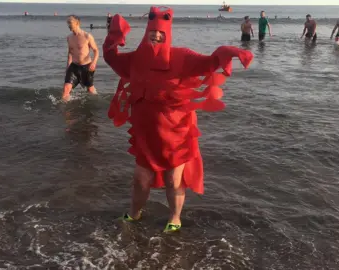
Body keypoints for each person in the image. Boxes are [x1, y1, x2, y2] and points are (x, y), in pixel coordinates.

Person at [103, 6, 254, 233]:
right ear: (147, 32)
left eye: (161, 32)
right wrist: (116, 31)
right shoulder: (134, 60)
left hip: (176, 134)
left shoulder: (181, 57)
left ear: (168, 34)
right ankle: (135, 214)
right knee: (140, 179)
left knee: (174, 181)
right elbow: (110, 57)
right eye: (152, 31)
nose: (156, 35)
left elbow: (210, 63)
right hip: (146, 135)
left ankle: (175, 217)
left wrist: (229, 50)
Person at [62, 15, 99, 102]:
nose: (68, 25)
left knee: (90, 90)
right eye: (68, 23)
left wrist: (94, 63)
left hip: (86, 67)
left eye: (70, 23)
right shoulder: (69, 37)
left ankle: (96, 104)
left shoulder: (87, 36)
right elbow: (70, 52)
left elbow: (96, 50)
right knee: (66, 90)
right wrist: (68, 67)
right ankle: (65, 111)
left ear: (77, 23)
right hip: (74, 66)